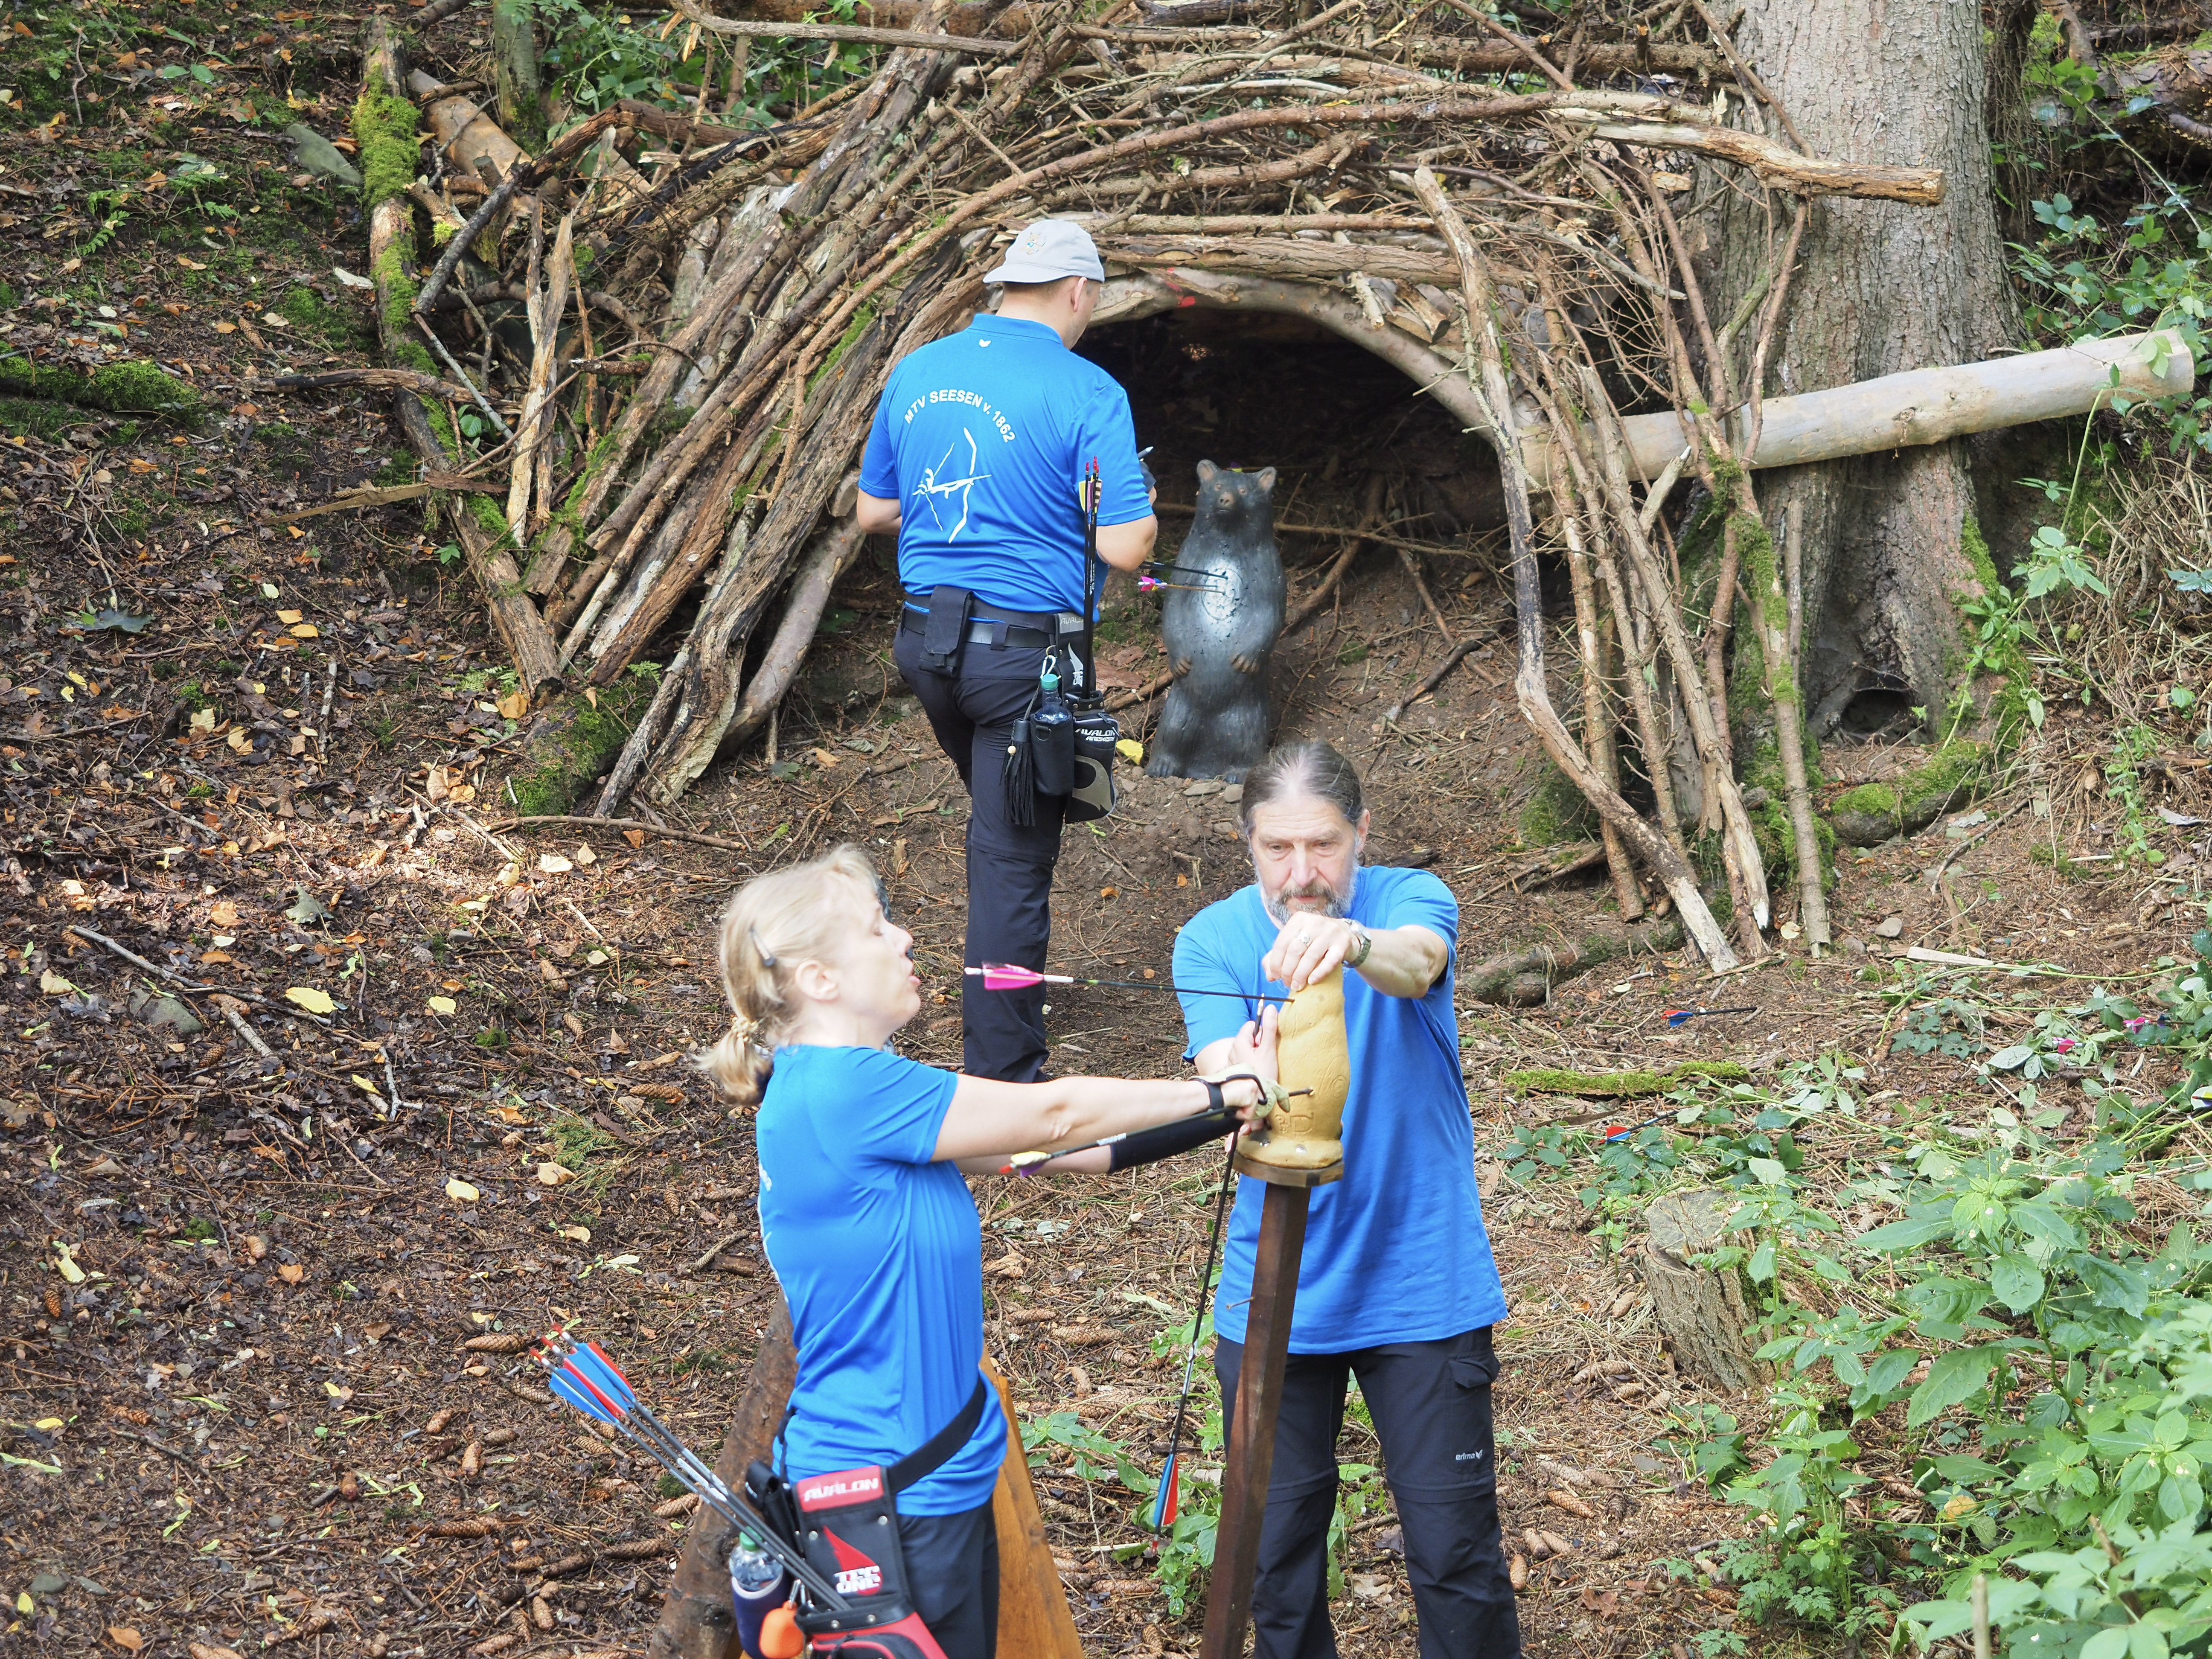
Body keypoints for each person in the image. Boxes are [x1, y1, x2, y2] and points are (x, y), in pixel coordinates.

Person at [701, 844, 1279, 1659]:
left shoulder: (855, 1096)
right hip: (891, 1504)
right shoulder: (842, 1090)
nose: (904, 940)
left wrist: (1225, 1111)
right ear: (818, 980)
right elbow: (1053, 1116)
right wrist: (1217, 1089)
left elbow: (1071, 1151)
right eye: (877, 930)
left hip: (934, 1482)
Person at [1170, 741, 1518, 1659]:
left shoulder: (1406, 899)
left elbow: (1417, 961)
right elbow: (1225, 1076)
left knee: (1456, 1558)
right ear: (1247, 846)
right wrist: (1244, 1074)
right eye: (1277, 850)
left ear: (1361, 833)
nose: (1301, 874)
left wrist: (1354, 944)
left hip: (1422, 1283)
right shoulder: (1210, 940)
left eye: (1322, 846)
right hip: (1275, 1291)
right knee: (1275, 1564)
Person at [855, 218, 1158, 1083]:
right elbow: (1129, 548)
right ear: (1077, 292)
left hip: (927, 646)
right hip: (1025, 659)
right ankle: (1003, 1080)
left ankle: (994, 1002)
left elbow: (874, 513)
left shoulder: (918, 370)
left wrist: (972, 512)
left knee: (1003, 829)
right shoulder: (1085, 388)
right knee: (1012, 864)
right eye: (1091, 303)